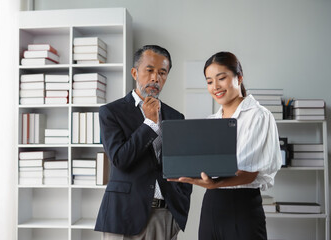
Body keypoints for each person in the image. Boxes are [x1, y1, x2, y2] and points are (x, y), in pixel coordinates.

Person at [169, 51, 282, 240]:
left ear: (239, 77)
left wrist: (216, 183)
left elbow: (251, 172)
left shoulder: (259, 116)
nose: (215, 87)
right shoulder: (211, 121)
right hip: (212, 205)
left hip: (242, 206)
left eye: (221, 78)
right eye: (209, 81)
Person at [94, 45, 192, 240]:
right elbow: (120, 159)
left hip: (165, 216)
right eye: (150, 70)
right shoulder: (111, 112)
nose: (155, 78)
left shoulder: (175, 116)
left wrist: (179, 206)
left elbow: (183, 166)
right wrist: (148, 123)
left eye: (162, 73)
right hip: (124, 215)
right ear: (134, 73)